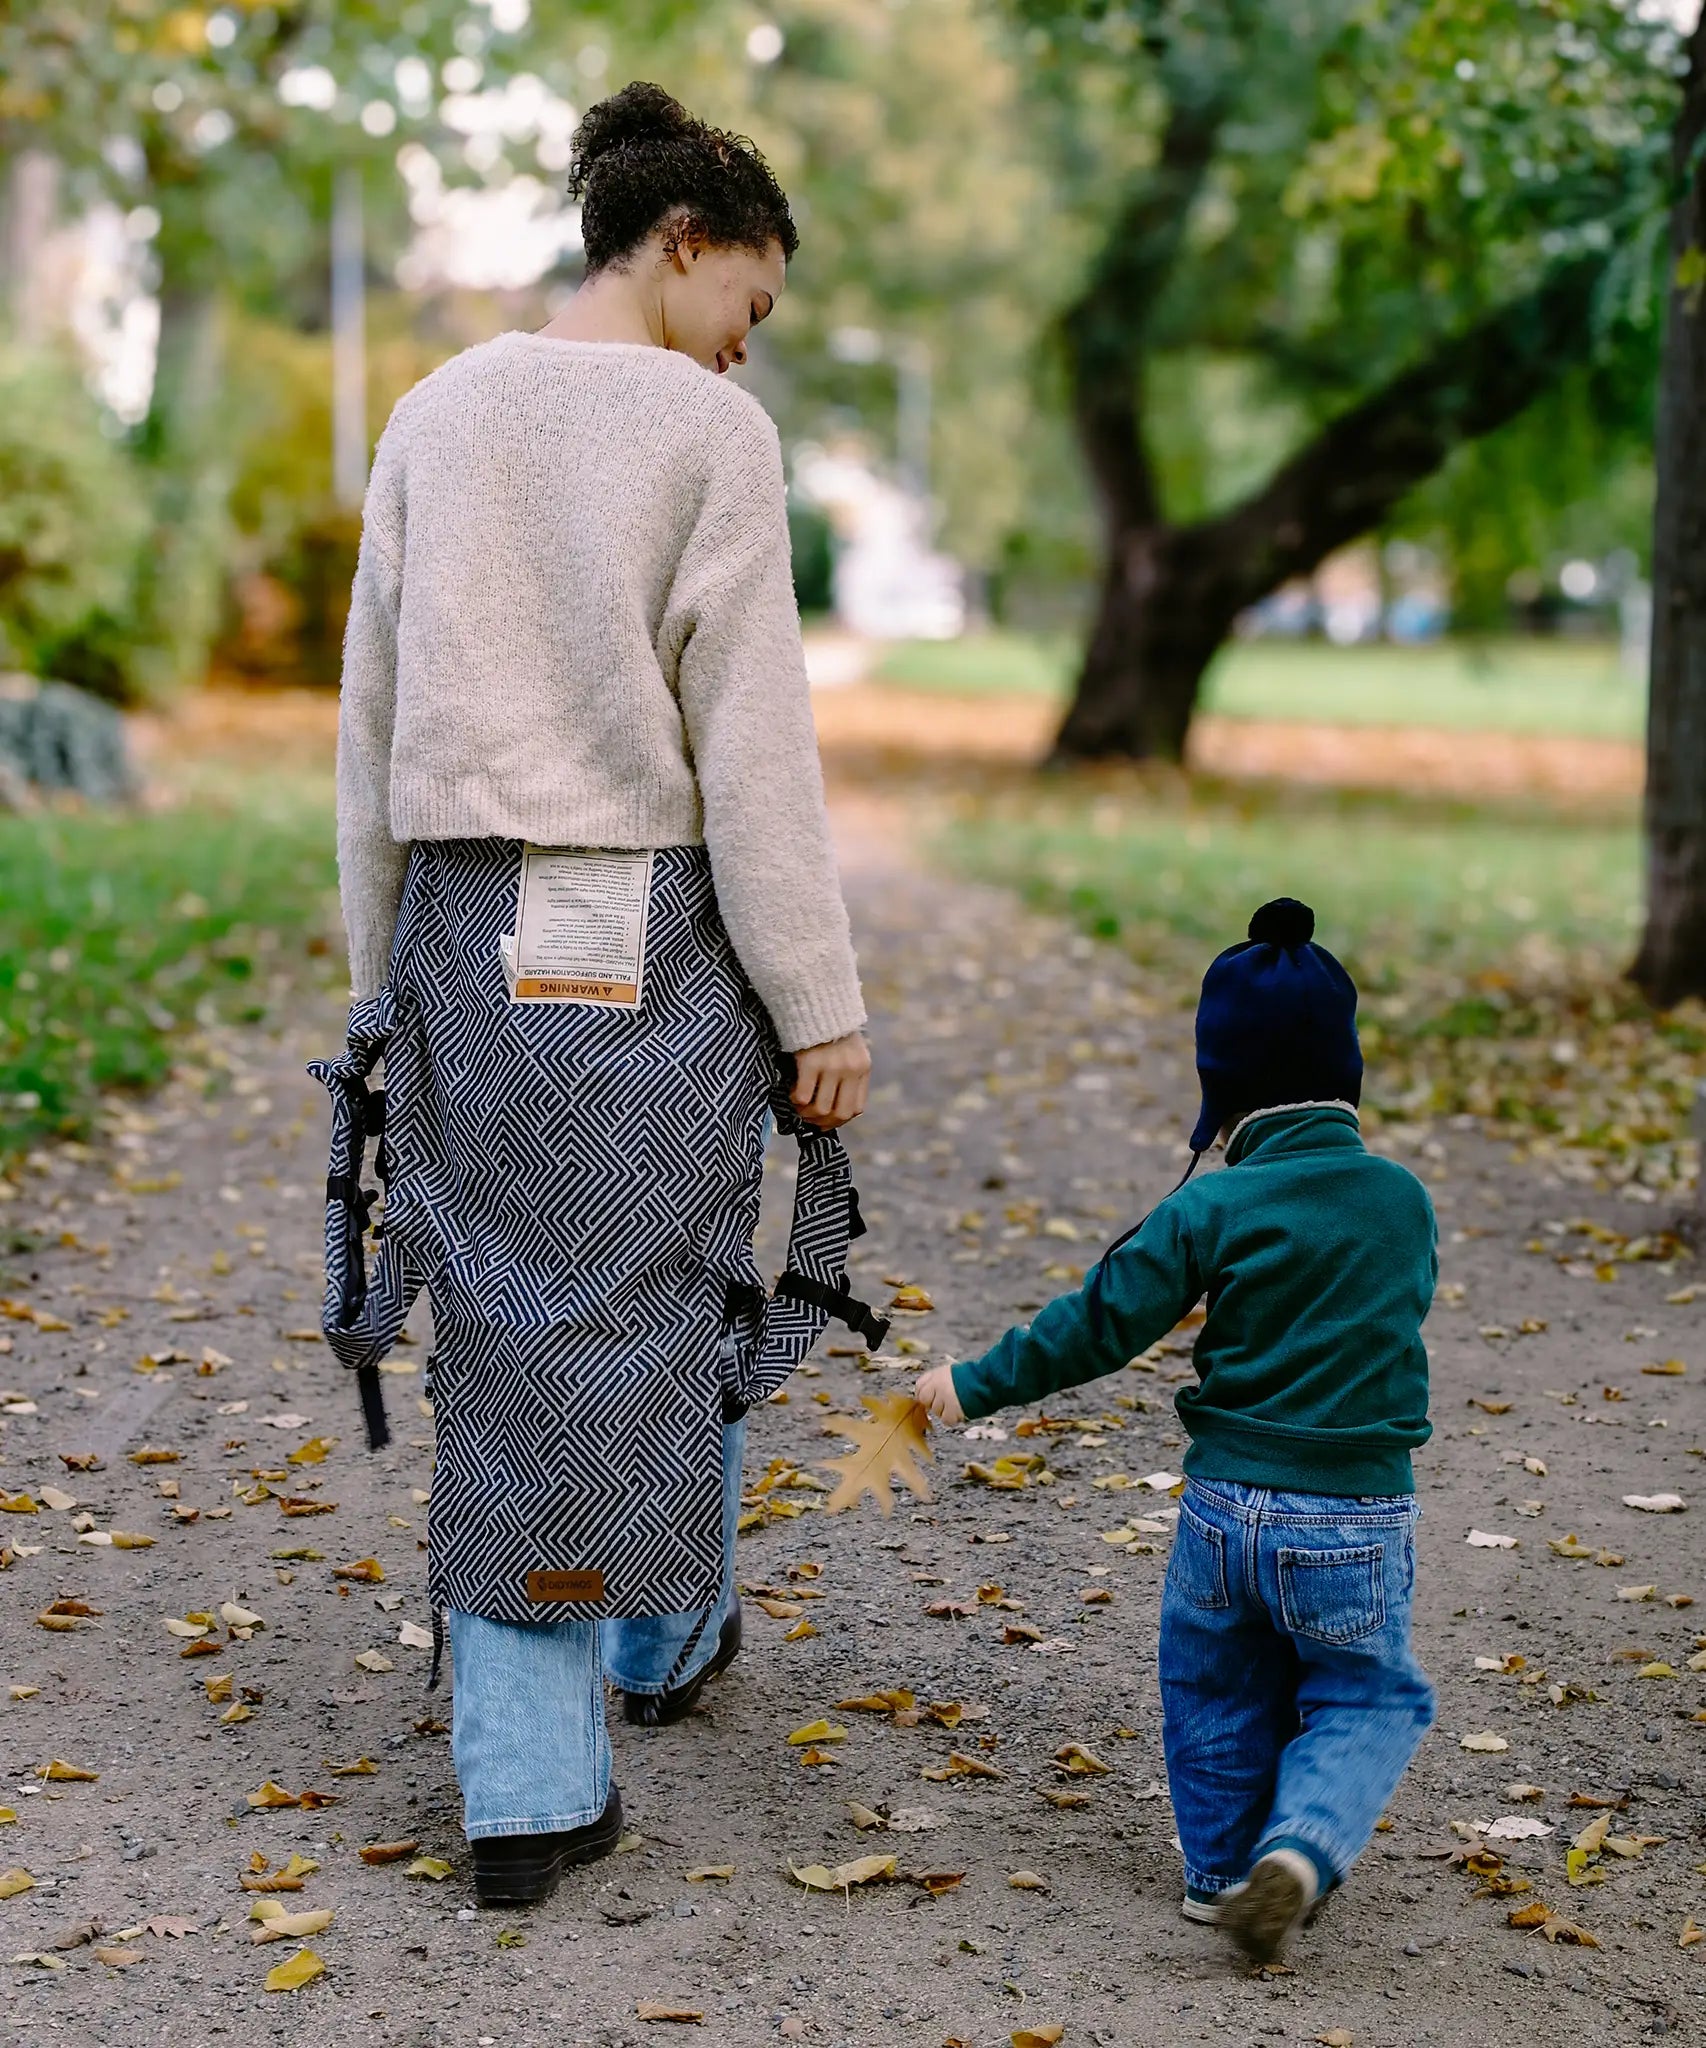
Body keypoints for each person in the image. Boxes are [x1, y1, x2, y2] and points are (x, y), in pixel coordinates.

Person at [331, 82, 869, 1906]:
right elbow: (757, 750)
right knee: (665, 1283)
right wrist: (820, 1002)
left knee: (500, 1310)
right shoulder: (713, 441)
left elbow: (370, 728)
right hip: (658, 922)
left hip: (465, 932)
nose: (746, 344)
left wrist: (375, 971)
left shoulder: (433, 411)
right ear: (686, 243)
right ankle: (656, 1633)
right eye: (753, 304)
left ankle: (522, 1785)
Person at [917, 898, 1437, 1965]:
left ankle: (1214, 1875)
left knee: (1212, 1686)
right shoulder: (1400, 1200)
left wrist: (967, 1385)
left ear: (1222, 1092)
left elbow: (1097, 1322)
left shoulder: (1209, 1205)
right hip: (1353, 1510)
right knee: (1362, 1691)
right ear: (1348, 1076)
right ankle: (1296, 1848)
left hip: (1220, 1509)